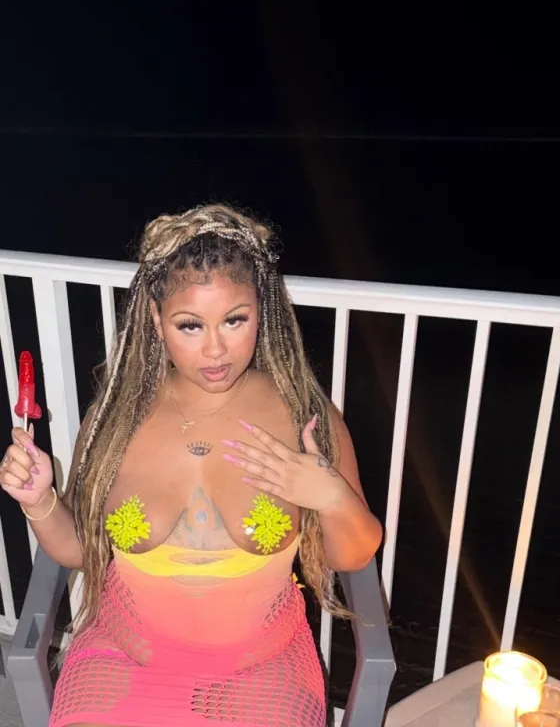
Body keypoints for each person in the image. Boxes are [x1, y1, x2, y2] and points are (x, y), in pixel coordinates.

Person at [0, 204, 382, 727]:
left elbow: (354, 555)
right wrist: (39, 500)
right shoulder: (116, 417)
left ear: (261, 310)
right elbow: (76, 550)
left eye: (234, 319)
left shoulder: (301, 412)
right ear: (157, 321)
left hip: (262, 665)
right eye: (190, 326)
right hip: (123, 654)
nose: (216, 349)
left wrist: (331, 496)